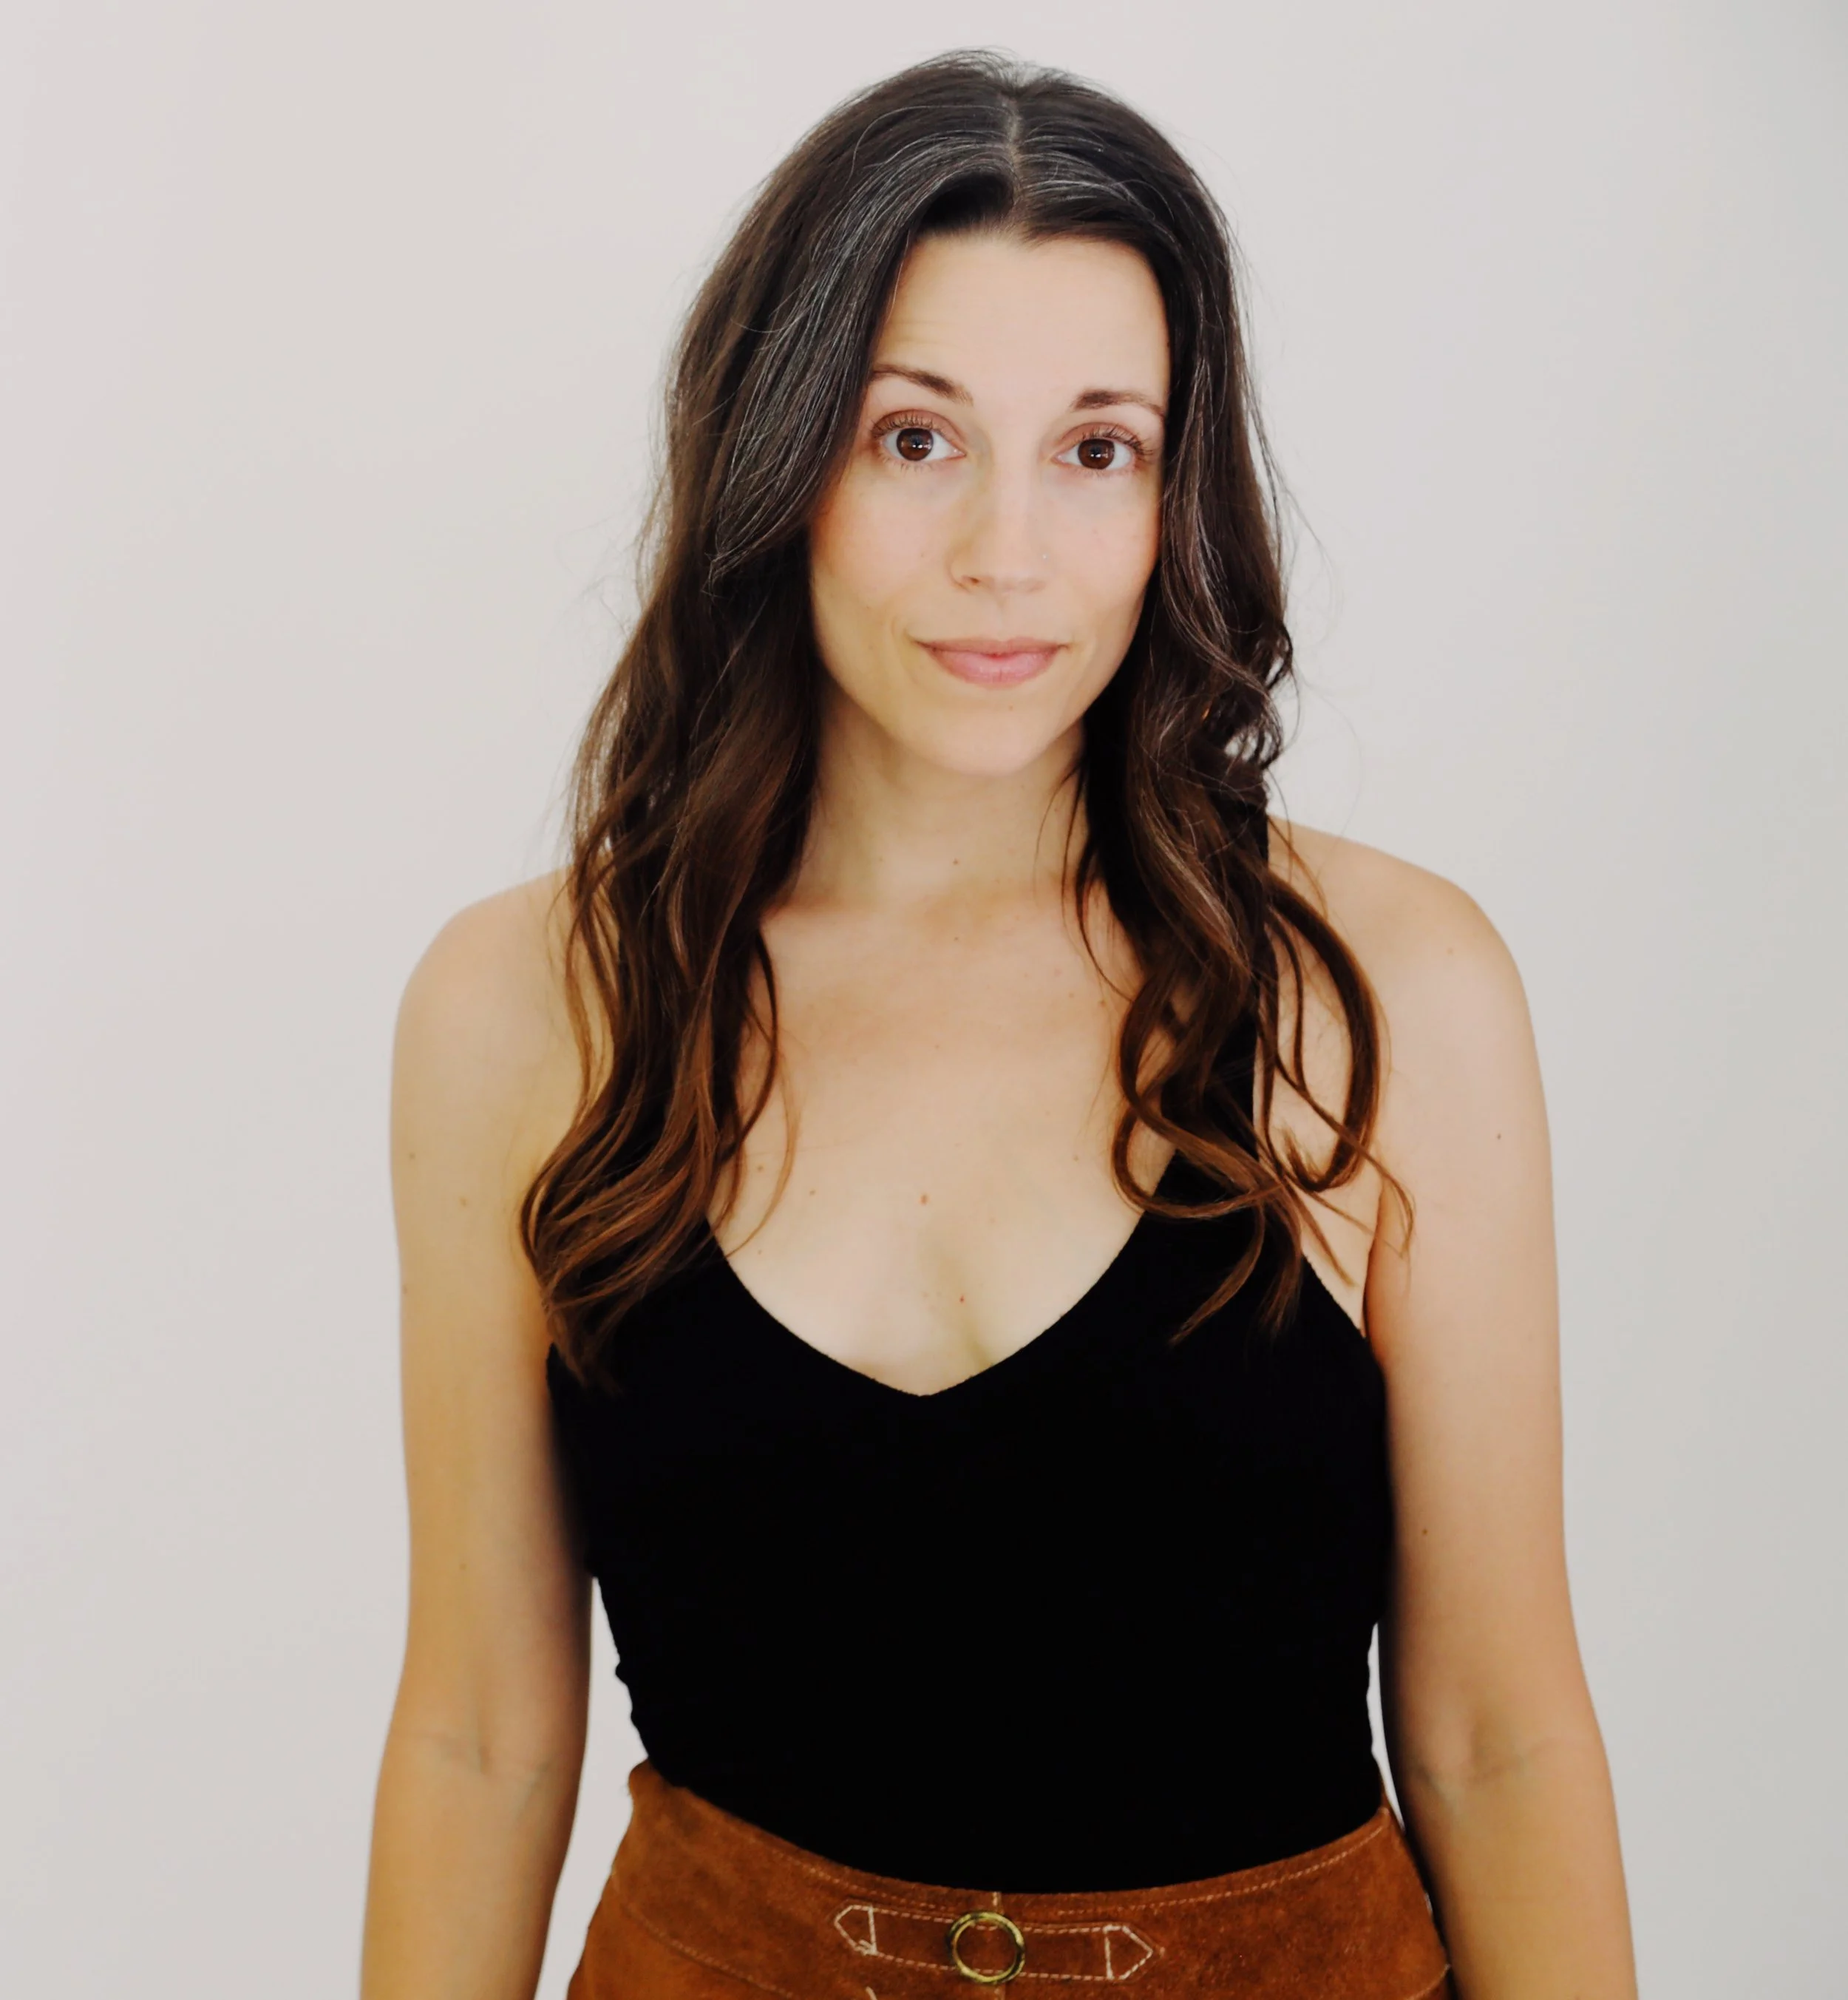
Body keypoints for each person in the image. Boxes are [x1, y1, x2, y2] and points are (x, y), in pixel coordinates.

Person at [359, 50, 1637, 2000]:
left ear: (1174, 493)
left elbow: (1495, 1738)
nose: (1007, 557)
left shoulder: (1383, 991)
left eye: (1097, 447)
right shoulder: (530, 1005)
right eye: (914, 438)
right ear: (778, 455)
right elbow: (478, 1734)